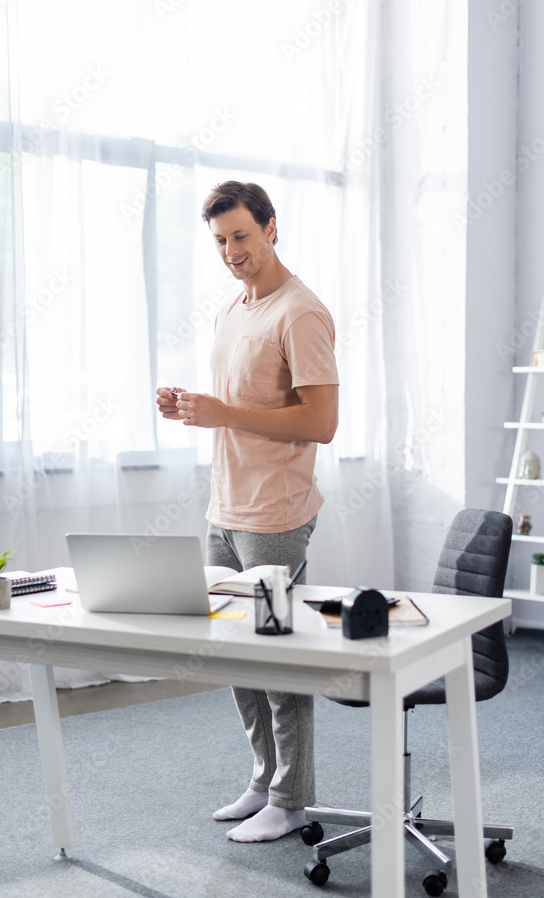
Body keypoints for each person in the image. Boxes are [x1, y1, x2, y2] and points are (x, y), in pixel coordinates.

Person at [156, 180, 339, 842]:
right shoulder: (234, 308)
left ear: (270, 228)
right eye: (220, 241)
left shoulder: (301, 312)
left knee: (274, 656)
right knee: (232, 654)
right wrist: (189, 406)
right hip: (225, 507)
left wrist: (222, 413)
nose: (230, 251)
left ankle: (292, 798)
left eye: (240, 235)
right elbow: (241, 404)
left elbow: (321, 421)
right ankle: (264, 780)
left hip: (276, 513)